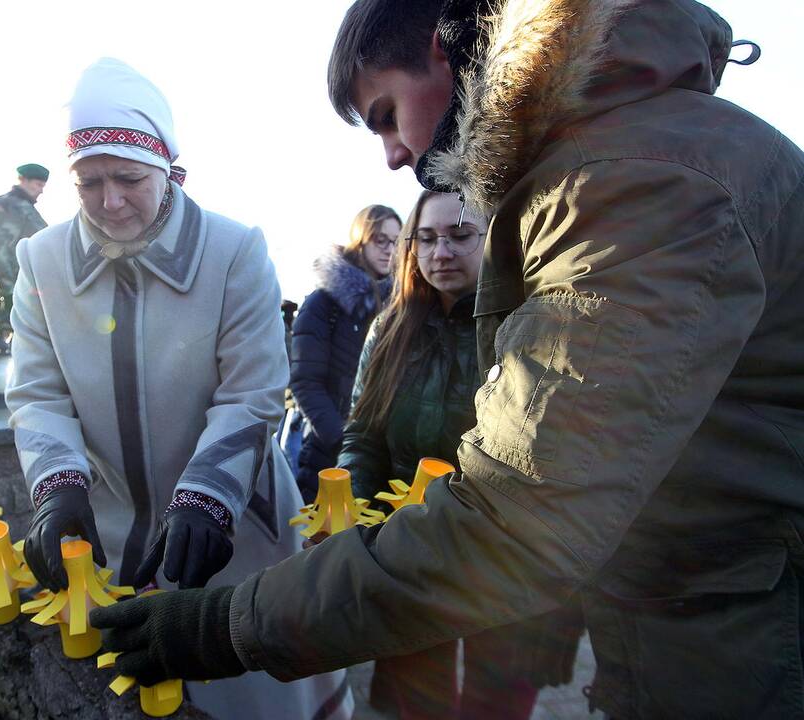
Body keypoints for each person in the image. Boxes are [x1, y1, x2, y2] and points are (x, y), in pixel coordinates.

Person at [90, 2, 804, 718]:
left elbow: (517, 514)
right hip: (702, 608)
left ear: (442, 53)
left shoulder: (633, 182)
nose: (394, 154)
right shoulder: (622, 155)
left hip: (743, 635)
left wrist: (230, 625)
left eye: (385, 113)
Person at [6, 58, 351, 720]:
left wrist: (209, 498)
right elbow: (38, 393)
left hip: (230, 524)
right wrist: (57, 488)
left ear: (168, 168)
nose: (111, 201)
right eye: (89, 183)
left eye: (129, 179)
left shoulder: (234, 250)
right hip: (109, 523)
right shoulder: (39, 260)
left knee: (248, 687)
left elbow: (250, 395)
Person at [341, 190, 542, 720]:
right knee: (413, 694)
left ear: (493, 238)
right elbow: (362, 436)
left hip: (500, 552)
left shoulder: (524, 324)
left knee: (496, 697)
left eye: (459, 235)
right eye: (426, 238)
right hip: (407, 547)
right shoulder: (390, 328)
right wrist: (361, 522)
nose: (441, 252)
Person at [289, 205, 398, 501]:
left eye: (397, 241)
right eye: (380, 239)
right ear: (360, 238)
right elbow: (304, 382)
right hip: (328, 454)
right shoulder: (324, 303)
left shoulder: (404, 308)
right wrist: (345, 441)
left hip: (386, 463)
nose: (390, 249)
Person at [0, 162, 48, 350]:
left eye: (43, 186)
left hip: (28, 293)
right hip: (16, 295)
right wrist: (10, 291)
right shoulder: (9, 205)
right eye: (38, 185)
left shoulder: (26, 208)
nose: (41, 191)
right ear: (22, 180)